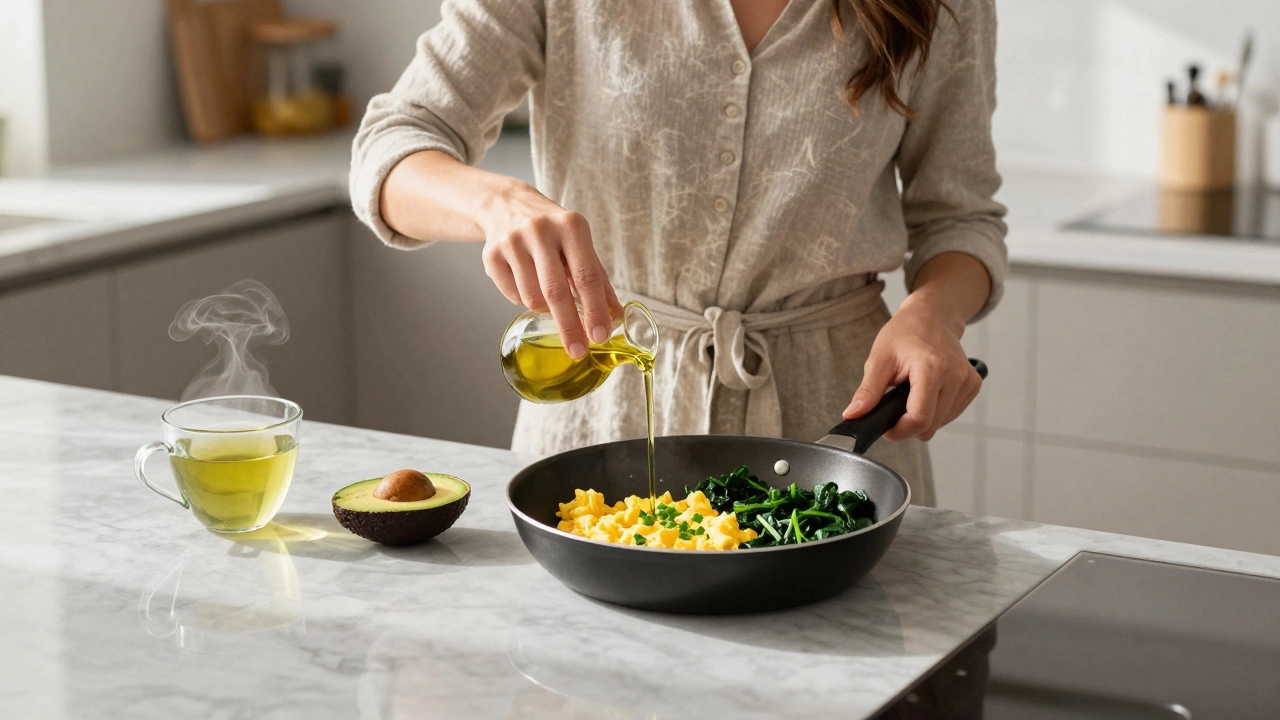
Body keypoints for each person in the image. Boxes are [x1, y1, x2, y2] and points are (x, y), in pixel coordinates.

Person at [350, 0, 1007, 505]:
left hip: (835, 435)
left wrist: (932, 317)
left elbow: (961, 218)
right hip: (598, 432)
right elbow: (392, 147)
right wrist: (496, 205)